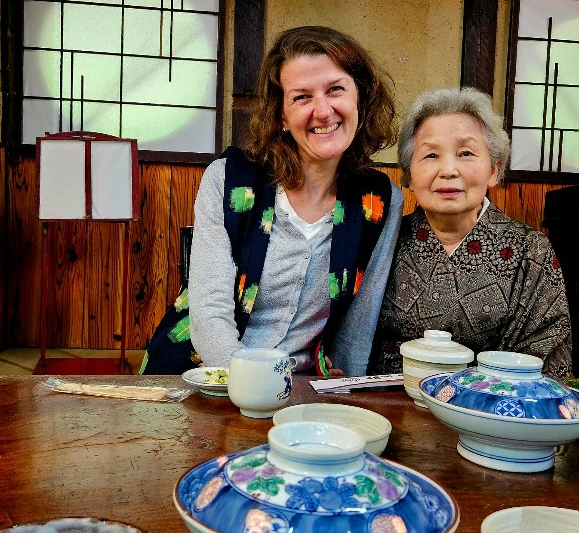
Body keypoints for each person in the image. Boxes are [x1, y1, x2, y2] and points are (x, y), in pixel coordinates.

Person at [142, 26, 403, 376]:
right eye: (301, 97)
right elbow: (210, 312)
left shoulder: (380, 201)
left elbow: (359, 324)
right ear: (281, 115)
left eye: (336, 89)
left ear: (360, 97)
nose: (323, 111)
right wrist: (257, 386)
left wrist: (345, 398)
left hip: (300, 389)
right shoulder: (229, 181)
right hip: (202, 375)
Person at [372, 87, 571, 379]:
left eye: (466, 153)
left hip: (493, 414)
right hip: (392, 407)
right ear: (408, 174)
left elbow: (547, 356)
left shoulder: (531, 250)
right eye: (430, 155)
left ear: (493, 169)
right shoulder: (384, 240)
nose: (448, 170)